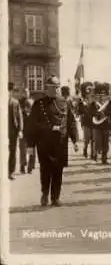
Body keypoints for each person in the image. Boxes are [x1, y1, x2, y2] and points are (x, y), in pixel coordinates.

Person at [26, 76, 79, 206]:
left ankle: (55, 197)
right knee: (45, 170)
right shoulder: (39, 104)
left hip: (60, 143)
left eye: (57, 87)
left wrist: (75, 140)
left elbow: (70, 122)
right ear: (47, 88)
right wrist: (30, 145)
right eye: (53, 87)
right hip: (44, 143)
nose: (55, 90)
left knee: (58, 171)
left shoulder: (64, 102)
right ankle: (45, 193)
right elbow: (31, 125)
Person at [8, 82, 24, 180]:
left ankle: (11, 172)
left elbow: (19, 116)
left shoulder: (15, 102)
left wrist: (20, 130)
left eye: (10, 91)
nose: (9, 93)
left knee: (12, 151)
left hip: (13, 131)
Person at [19, 87, 35, 174]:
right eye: (24, 92)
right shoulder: (19, 103)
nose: (25, 93)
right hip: (23, 129)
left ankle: (30, 167)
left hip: (31, 130)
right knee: (22, 150)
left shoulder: (32, 102)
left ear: (29, 93)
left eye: (27, 92)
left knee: (31, 149)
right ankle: (22, 166)